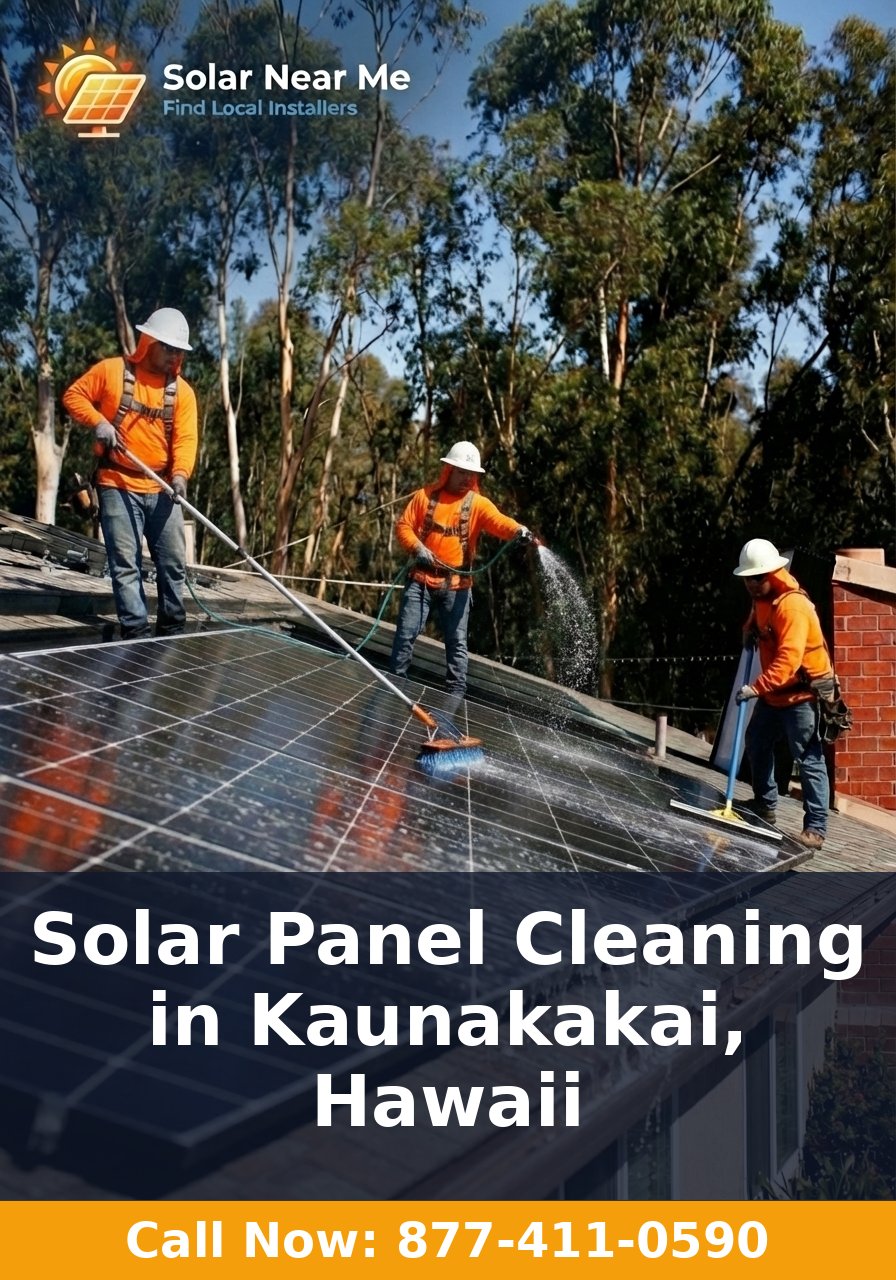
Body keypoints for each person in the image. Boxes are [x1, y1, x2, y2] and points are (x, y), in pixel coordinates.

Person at [63, 308, 198, 639]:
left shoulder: (182, 393)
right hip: (117, 483)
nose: (174, 355)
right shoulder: (111, 372)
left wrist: (180, 476)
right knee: (126, 563)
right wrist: (99, 422)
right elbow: (73, 396)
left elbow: (185, 439)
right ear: (148, 342)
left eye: (179, 350)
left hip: (163, 488)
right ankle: (137, 636)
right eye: (168, 347)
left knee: (172, 565)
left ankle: (171, 632)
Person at [390, 441, 534, 696]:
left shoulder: (477, 504)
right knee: (406, 633)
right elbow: (404, 526)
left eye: (471, 473)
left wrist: (518, 530)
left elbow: (500, 522)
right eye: (461, 472)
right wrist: (417, 548)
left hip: (457, 586)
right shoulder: (425, 496)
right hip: (421, 579)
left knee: (456, 644)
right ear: (448, 470)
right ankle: (395, 686)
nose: (466, 478)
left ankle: (456, 696)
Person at [732, 538, 833, 850]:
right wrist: (748, 629)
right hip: (776, 694)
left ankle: (815, 828)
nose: (749, 584)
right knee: (758, 741)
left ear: (770, 574)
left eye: (755, 578)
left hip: (800, 695)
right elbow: (757, 618)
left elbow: (788, 662)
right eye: (747, 578)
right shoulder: (762, 596)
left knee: (808, 757)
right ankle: (765, 804)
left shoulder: (793, 607)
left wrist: (755, 688)